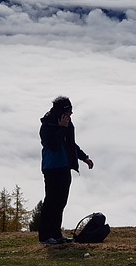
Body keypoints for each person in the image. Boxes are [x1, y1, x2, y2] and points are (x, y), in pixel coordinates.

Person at [38, 96, 94, 245]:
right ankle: (44, 237)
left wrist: (84, 157)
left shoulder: (67, 123)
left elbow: (70, 144)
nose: (71, 114)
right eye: (69, 110)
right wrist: (62, 128)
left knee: (61, 203)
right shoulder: (47, 125)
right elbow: (54, 145)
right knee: (50, 202)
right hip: (51, 168)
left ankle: (56, 235)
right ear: (61, 111)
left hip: (64, 167)